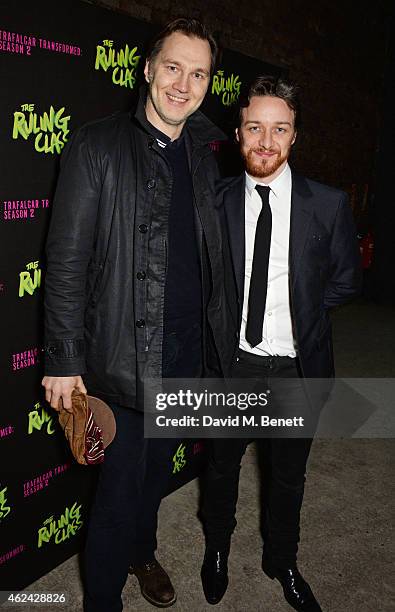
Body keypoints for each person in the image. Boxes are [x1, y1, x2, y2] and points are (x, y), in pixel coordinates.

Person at [41, 18, 228, 612]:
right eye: (172, 67)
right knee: (117, 497)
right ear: (147, 69)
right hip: (120, 357)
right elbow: (66, 260)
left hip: (184, 356)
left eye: (197, 73)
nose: (183, 83)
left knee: (152, 478)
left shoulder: (204, 153)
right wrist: (64, 360)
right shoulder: (97, 145)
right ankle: (103, 599)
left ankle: (142, 553)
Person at [200, 75, 362, 611]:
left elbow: (344, 281)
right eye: (254, 128)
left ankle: (282, 561)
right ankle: (217, 549)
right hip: (233, 366)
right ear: (237, 133)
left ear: (294, 137)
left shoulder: (329, 205)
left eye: (279, 129)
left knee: (289, 478)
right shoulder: (216, 203)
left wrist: (299, 313)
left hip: (296, 368)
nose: (266, 142)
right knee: (221, 468)